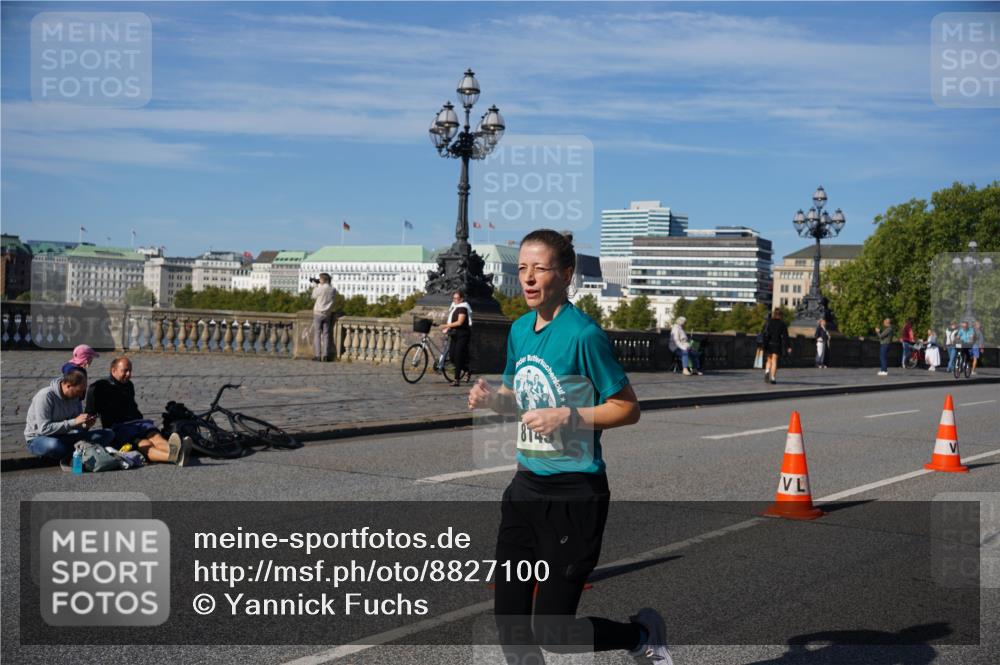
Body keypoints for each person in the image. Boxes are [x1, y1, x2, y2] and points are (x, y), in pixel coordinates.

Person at [467, 229, 672, 665]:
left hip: (574, 495)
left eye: (539, 269)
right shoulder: (520, 330)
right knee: (510, 624)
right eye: (523, 268)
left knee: (554, 632)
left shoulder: (584, 335)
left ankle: (641, 635)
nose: (528, 278)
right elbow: (522, 400)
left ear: (565, 274)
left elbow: (628, 408)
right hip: (524, 490)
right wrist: (492, 400)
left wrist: (570, 417)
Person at [85, 357, 190, 466]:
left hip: (137, 423)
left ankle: (179, 450)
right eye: (125, 371)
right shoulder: (99, 387)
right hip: (118, 428)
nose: (128, 374)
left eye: (130, 371)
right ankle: (174, 457)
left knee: (155, 436)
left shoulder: (129, 385)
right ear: (113, 370)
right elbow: (89, 414)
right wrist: (83, 434)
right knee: (145, 444)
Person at [24, 369, 114, 461]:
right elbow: (44, 429)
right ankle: (81, 452)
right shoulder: (45, 396)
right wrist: (74, 422)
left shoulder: (75, 397)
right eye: (79, 391)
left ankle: (77, 452)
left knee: (108, 434)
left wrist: (85, 424)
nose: (81, 395)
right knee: (54, 445)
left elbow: (77, 427)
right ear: (68, 386)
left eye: (83, 391)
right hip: (39, 439)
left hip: (63, 437)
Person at [440, 289, 472, 387]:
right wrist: (447, 327)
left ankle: (456, 379)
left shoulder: (463, 308)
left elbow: (459, 322)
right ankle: (467, 370)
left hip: (463, 334)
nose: (455, 300)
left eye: (457, 298)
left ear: (461, 299)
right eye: (454, 298)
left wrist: (446, 325)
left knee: (458, 356)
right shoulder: (454, 307)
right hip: (454, 334)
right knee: (452, 357)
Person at [311, 272, 336, 362]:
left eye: (320, 279)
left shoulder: (320, 288)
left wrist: (315, 286)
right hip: (327, 314)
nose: (319, 280)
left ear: (323, 280)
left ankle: (318, 355)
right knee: (326, 335)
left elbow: (313, 296)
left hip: (318, 313)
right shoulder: (333, 289)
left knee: (317, 334)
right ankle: (325, 355)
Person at [762, 308, 790, 384]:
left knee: (769, 359)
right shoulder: (782, 324)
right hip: (777, 343)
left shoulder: (768, 322)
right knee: (774, 360)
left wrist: (764, 344)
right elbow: (785, 336)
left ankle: (767, 371)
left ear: (774, 314)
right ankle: (773, 378)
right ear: (780, 315)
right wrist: (788, 346)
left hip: (768, 343)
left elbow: (763, 332)